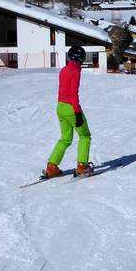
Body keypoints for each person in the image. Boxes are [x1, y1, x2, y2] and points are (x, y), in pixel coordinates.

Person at [44, 45, 94, 178]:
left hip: (60, 107)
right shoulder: (75, 71)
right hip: (71, 108)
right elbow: (73, 94)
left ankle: (52, 166)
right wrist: (77, 112)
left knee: (65, 139)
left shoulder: (64, 70)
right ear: (80, 58)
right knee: (85, 136)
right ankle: (82, 166)